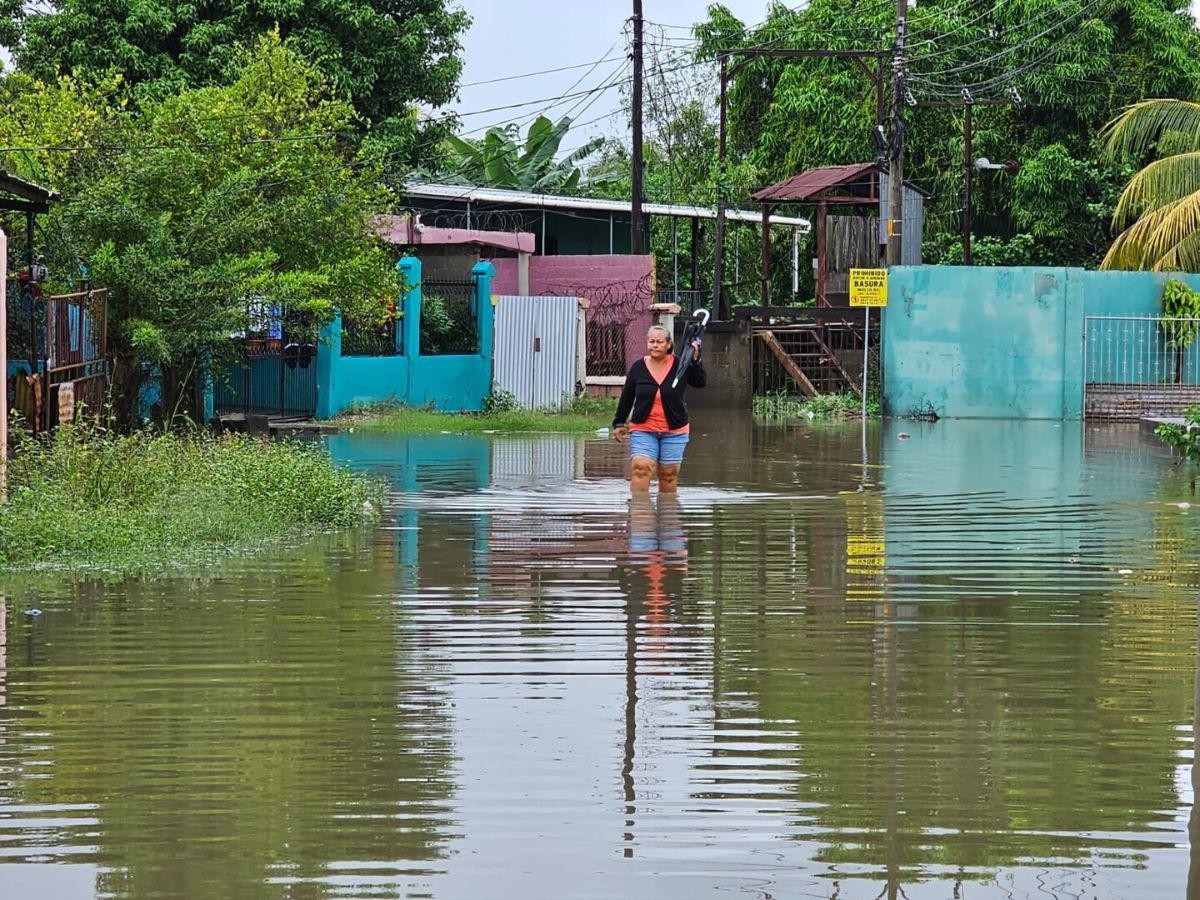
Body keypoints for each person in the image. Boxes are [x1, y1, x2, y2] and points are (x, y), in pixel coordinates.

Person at [612, 324, 705, 493]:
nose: (655, 345)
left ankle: (667, 515)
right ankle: (640, 514)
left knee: (668, 474)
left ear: (668, 344)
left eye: (659, 342)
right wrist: (619, 423)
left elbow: (700, 382)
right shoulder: (638, 367)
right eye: (651, 341)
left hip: (675, 429)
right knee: (641, 468)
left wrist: (695, 359)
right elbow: (627, 396)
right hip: (643, 428)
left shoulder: (680, 365)